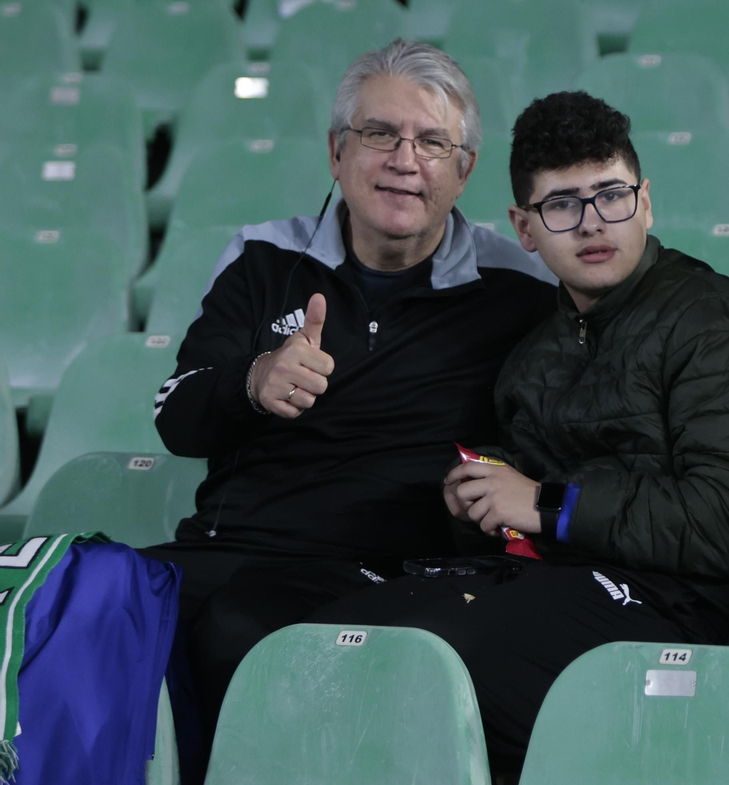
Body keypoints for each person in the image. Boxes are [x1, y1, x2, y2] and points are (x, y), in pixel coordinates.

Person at [309, 91, 729, 775]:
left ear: (645, 202)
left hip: (673, 609)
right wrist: (477, 504)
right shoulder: (532, 354)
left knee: (424, 661)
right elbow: (526, 514)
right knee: (330, 642)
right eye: (562, 205)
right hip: (546, 587)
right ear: (524, 228)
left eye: (611, 196)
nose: (593, 224)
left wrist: (543, 503)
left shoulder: (707, 320)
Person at [143, 42, 558, 751]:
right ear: (337, 152)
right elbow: (176, 415)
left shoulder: (520, 286)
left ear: (464, 173)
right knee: (83, 611)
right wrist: (252, 382)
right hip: (226, 545)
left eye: (432, 142)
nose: (405, 160)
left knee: (239, 631)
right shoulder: (263, 258)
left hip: (376, 567)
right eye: (379, 135)